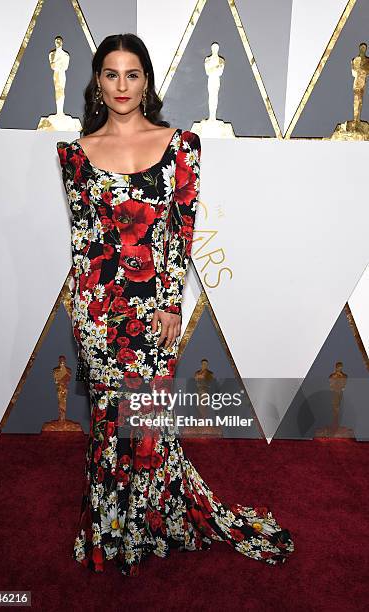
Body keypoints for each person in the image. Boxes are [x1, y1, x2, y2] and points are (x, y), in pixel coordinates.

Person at [56, 33, 294, 577]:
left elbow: (179, 236)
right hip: (96, 311)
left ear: (147, 82)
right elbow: (83, 241)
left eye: (132, 74)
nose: (121, 86)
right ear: (97, 81)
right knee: (106, 420)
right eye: (111, 74)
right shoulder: (73, 155)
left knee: (147, 420)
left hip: (150, 312)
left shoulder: (180, 146)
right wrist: (81, 306)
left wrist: (169, 303)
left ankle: (151, 524)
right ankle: (111, 527)